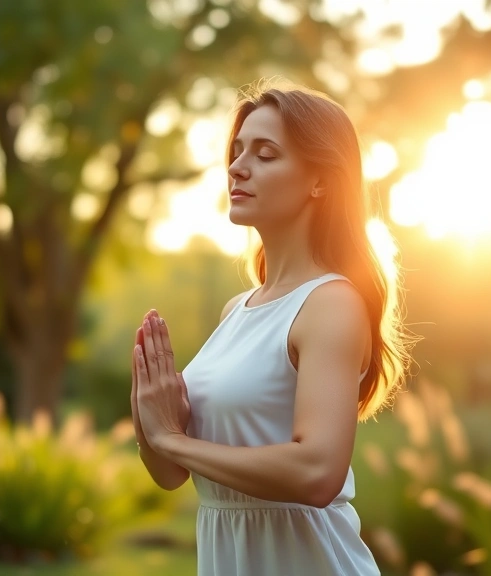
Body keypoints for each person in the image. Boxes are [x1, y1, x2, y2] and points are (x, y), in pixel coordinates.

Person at [129, 79, 413, 575]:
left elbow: (318, 472)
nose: (237, 167)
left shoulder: (330, 303)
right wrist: (148, 414)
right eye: (237, 151)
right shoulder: (236, 311)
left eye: (265, 154)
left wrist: (173, 439)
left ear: (320, 181)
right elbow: (171, 474)